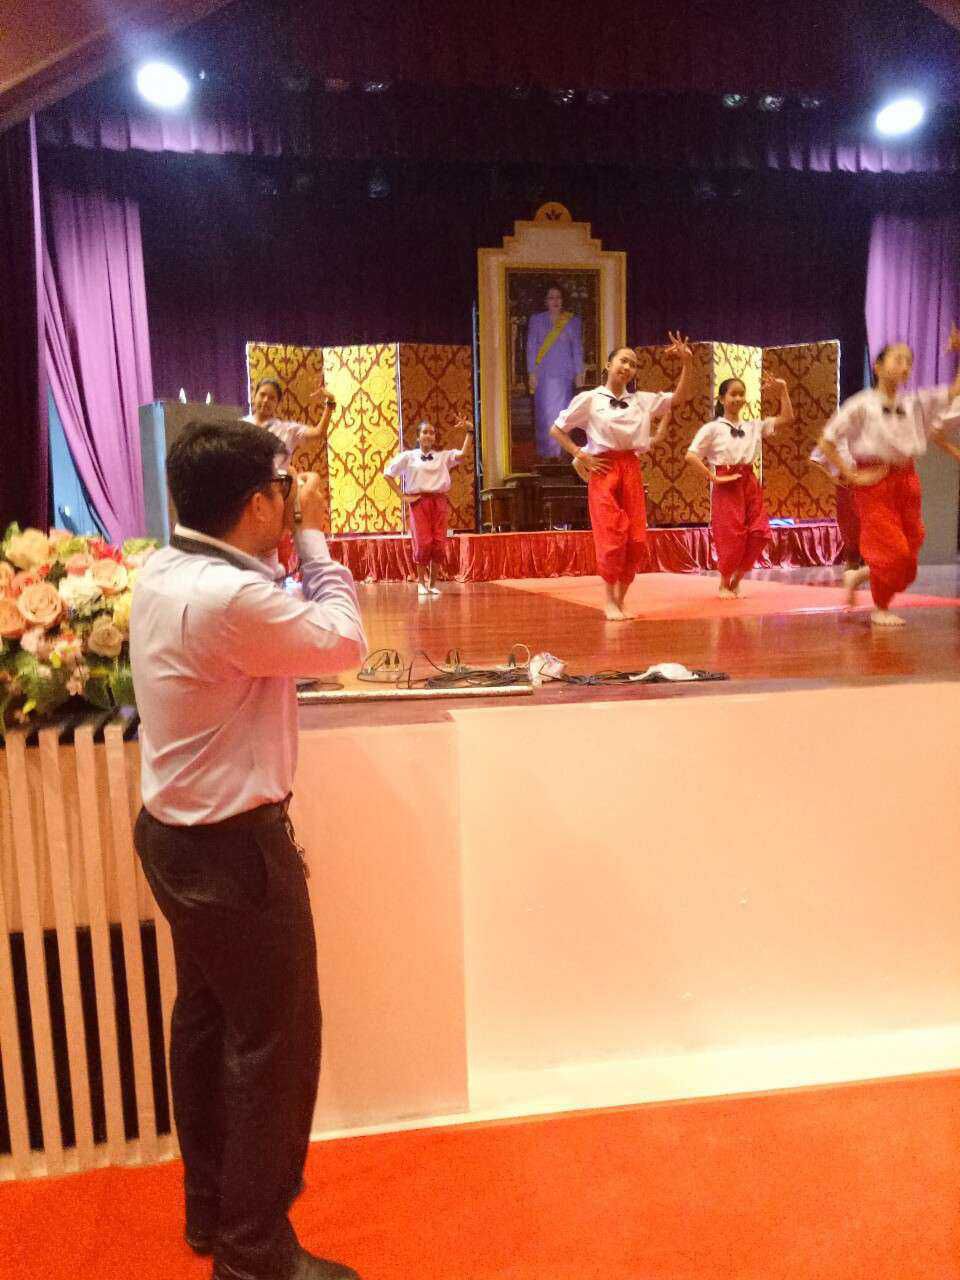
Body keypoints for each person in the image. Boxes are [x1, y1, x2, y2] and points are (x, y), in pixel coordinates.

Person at [130, 419, 367, 1280]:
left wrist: (287, 542)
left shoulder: (167, 569)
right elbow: (343, 642)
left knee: (205, 1024)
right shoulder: (232, 599)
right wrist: (317, 539)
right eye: (285, 490)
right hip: (235, 857)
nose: (294, 500)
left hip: (175, 840)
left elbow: (271, 601)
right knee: (275, 1047)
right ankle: (253, 1252)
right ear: (259, 502)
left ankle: (212, 1211)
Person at [817, 333, 960, 626]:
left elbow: (955, 391)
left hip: (907, 479)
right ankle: (880, 607)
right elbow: (827, 441)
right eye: (898, 359)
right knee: (890, 549)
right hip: (875, 481)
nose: (905, 366)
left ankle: (860, 574)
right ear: (878, 366)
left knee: (912, 547)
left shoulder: (915, 402)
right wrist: (850, 473)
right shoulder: (861, 404)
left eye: (909, 361)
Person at [550, 336, 694, 621]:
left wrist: (687, 362)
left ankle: (621, 600)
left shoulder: (641, 401)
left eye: (633, 364)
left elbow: (679, 397)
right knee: (611, 536)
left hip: (630, 469)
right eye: (623, 361)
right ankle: (609, 601)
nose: (628, 367)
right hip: (604, 470)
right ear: (608, 365)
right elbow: (557, 429)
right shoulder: (590, 399)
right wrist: (580, 454)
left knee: (636, 539)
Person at [685, 375, 794, 598]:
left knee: (760, 532)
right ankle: (724, 583)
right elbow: (691, 455)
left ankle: (736, 581)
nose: (737, 398)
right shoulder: (712, 428)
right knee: (731, 535)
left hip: (749, 480)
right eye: (733, 394)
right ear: (722, 399)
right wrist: (712, 477)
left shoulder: (753, 426)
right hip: (727, 482)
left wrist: (782, 389)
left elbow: (787, 418)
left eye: (741, 394)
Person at [383, 417, 474, 597]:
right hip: (419, 503)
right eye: (425, 432)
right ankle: (421, 583)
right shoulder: (408, 457)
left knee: (438, 543)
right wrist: (402, 496)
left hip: (439, 502)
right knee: (423, 543)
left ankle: (432, 584)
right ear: (418, 437)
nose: (428, 435)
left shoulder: (442, 457)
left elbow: (463, 454)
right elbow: (387, 474)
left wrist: (470, 430)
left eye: (432, 433)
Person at [526, 284, 585, 458]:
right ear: (545, 301)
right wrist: (531, 372)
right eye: (551, 297)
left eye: (558, 297)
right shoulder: (536, 320)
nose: (555, 301)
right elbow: (531, 348)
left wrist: (579, 372)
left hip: (564, 376)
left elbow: (577, 348)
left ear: (563, 300)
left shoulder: (572, 321)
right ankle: (546, 454)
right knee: (545, 415)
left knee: (563, 414)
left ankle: (562, 453)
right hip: (543, 376)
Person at [809, 439, 868, 604]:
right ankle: (850, 591)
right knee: (851, 536)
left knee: (869, 534)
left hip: (867, 485)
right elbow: (815, 458)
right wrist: (831, 477)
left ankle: (868, 589)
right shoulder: (836, 437)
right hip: (846, 487)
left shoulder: (865, 435)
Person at [245, 374, 337, 464]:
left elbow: (318, 432)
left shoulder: (287, 429)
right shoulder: (242, 426)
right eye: (262, 395)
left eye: (272, 398)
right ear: (254, 396)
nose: (265, 400)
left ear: (277, 404)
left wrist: (330, 403)